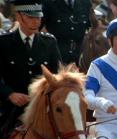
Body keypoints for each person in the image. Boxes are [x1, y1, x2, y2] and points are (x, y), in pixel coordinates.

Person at [0, 0, 61, 138]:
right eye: (31, 17)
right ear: (18, 17)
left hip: (43, 111)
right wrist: (10, 94)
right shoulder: (3, 43)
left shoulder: (50, 43)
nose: (36, 22)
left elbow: (56, 77)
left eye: (38, 17)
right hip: (11, 111)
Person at [41, 0, 93, 64]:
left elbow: (94, 27)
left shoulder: (85, 3)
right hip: (56, 59)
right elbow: (36, 28)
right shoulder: (49, 3)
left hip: (79, 60)